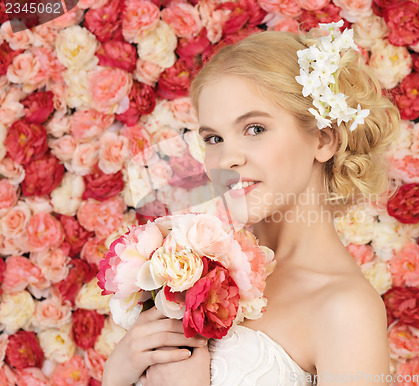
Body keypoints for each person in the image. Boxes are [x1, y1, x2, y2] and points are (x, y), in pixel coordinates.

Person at [102, 21, 400, 386]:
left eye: (255, 129)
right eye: (213, 138)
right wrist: (117, 374)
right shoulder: (193, 266)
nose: (226, 159)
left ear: (323, 139)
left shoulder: (345, 311)